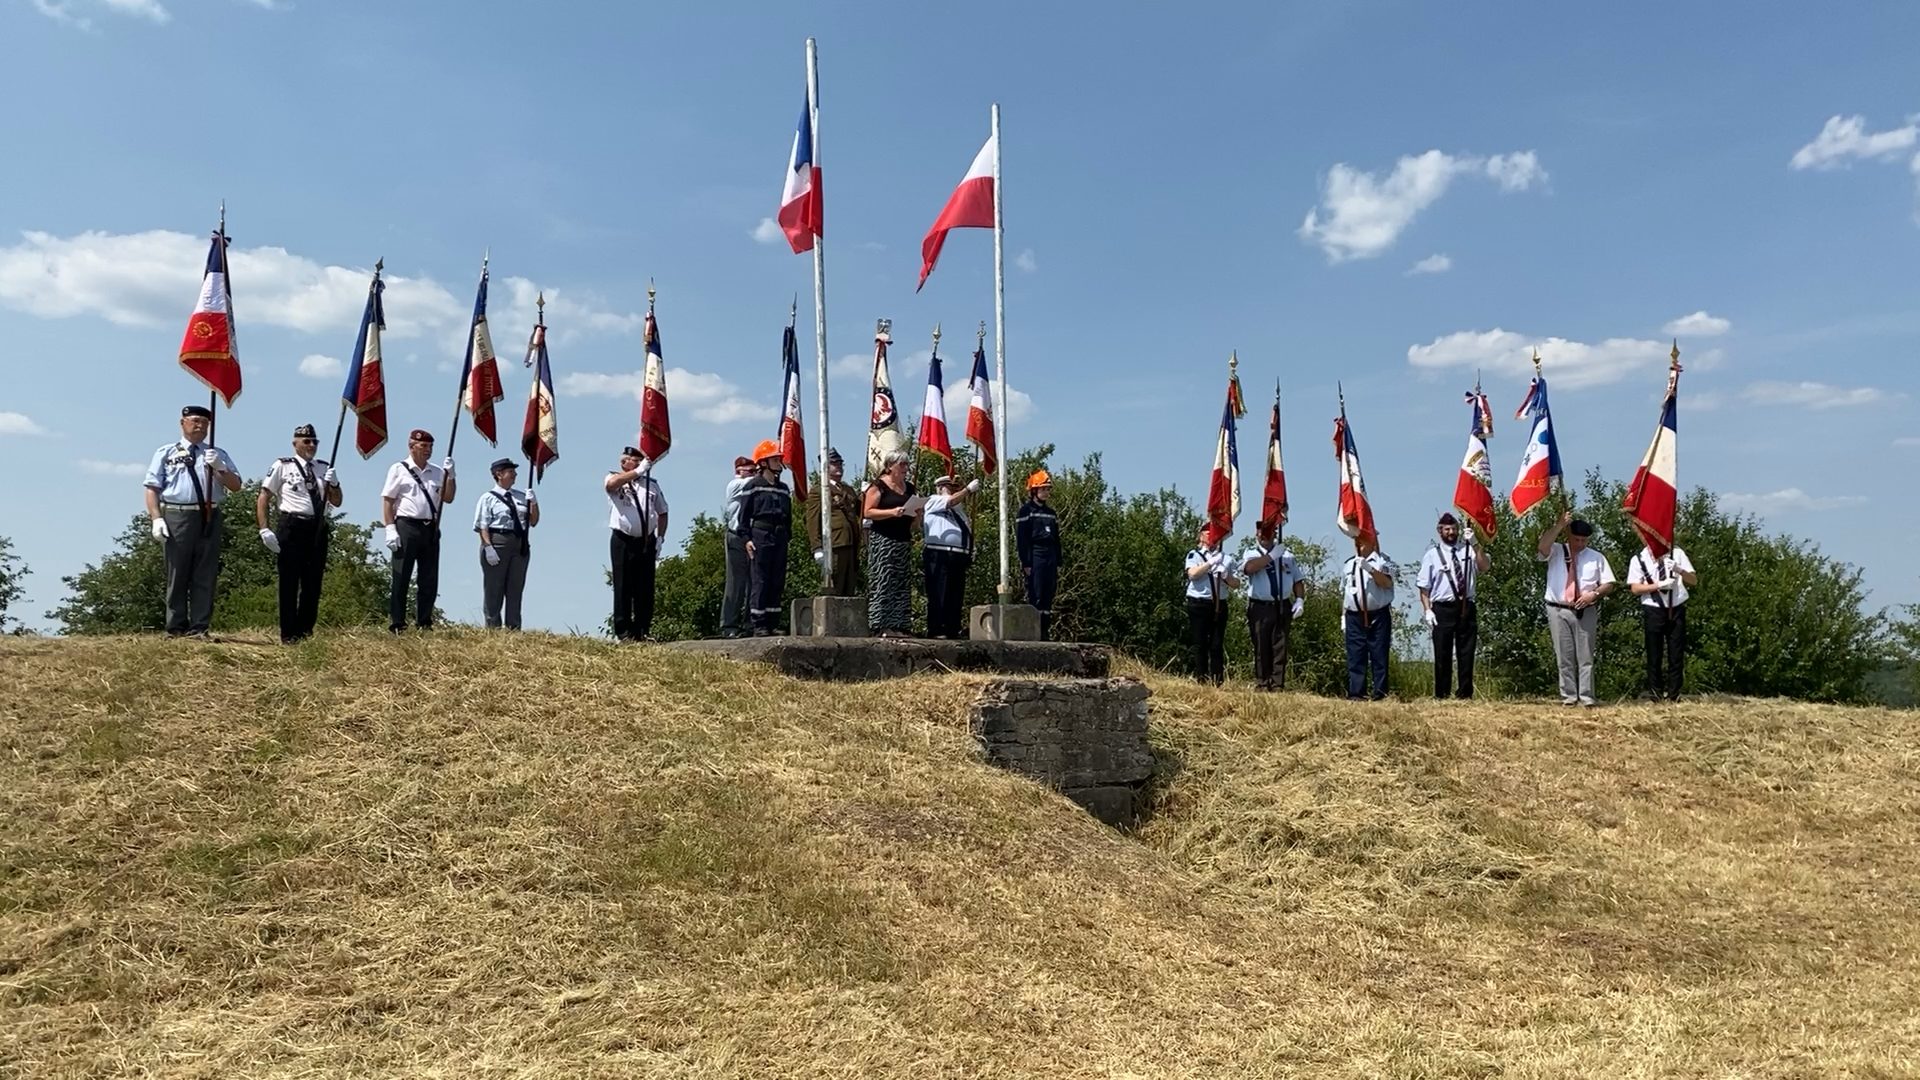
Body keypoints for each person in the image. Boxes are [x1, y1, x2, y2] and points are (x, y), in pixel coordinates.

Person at [144, 404, 243, 637]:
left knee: (205, 572)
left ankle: (199, 626)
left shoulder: (218, 453)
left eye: (205, 423)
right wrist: (156, 518)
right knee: (177, 571)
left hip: (210, 514)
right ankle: (175, 626)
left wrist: (220, 468)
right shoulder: (166, 452)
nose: (200, 426)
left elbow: (236, 486)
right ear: (183, 423)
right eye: (195, 420)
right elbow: (151, 488)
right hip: (178, 514)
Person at [255, 422, 342, 643]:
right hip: (292, 526)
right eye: (306, 441)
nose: (311, 445)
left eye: (314, 441)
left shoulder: (323, 467)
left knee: (313, 582)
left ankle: (305, 630)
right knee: (289, 581)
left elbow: (337, 501)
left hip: (317, 527)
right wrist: (264, 528)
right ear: (295, 443)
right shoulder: (283, 465)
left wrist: (334, 484)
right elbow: (264, 496)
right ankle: (288, 632)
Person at [1537, 510, 1618, 707]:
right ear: (1568, 536)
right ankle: (1569, 697)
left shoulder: (1596, 557)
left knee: (1585, 656)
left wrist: (1595, 594)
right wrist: (1559, 525)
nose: (1580, 544)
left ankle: (1587, 697)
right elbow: (1542, 547)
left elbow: (1609, 583)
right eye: (1577, 539)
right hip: (1558, 609)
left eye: (1584, 540)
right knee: (1564, 656)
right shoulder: (1556, 551)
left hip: (1585, 609)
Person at [380, 429, 456, 633]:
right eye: (423, 446)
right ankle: (397, 622)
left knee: (429, 578)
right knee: (401, 576)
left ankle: (424, 621)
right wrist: (390, 528)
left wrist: (450, 477)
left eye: (430, 447)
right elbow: (388, 500)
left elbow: (448, 498)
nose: (428, 450)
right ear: (411, 446)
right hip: (406, 526)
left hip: (430, 527)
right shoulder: (398, 469)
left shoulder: (438, 471)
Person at [1417, 512, 1492, 699]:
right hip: (1443, 608)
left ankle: (1465, 694)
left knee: (1466, 652)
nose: (1451, 532)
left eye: (1454, 529)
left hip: (1466, 606)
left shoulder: (1468, 550)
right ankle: (1441, 694)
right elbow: (1424, 586)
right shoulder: (1432, 555)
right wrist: (1427, 610)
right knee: (1442, 653)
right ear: (1440, 531)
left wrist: (1475, 543)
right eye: (1447, 529)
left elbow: (1484, 567)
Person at [606, 446, 668, 642]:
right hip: (623, 539)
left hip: (646, 541)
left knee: (645, 587)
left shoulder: (652, 485)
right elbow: (611, 486)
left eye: (642, 461)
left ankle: (643, 629)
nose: (642, 463)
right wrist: (638, 471)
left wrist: (660, 538)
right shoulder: (614, 479)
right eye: (636, 460)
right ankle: (624, 632)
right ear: (624, 463)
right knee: (623, 585)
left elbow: (663, 512)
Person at [1627, 541, 1698, 701]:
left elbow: (1693, 580)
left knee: (1676, 652)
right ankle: (1655, 694)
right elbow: (1635, 588)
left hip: (1676, 606)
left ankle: (1674, 694)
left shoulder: (1677, 554)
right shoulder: (1639, 559)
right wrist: (1657, 585)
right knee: (1654, 653)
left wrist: (1679, 570)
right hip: (1653, 608)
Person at [473, 458, 538, 630]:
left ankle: (513, 627)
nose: (515, 474)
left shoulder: (521, 497)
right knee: (494, 588)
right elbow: (482, 525)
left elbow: (533, 521)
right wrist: (488, 547)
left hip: (519, 543)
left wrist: (534, 503)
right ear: (499, 474)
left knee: (515, 588)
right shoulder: (488, 498)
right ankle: (493, 626)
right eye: (511, 471)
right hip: (498, 541)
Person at [863, 449, 922, 638]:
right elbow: (868, 512)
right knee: (883, 581)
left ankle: (900, 625)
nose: (906, 468)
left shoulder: (910, 488)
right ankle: (880, 625)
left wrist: (917, 516)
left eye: (907, 464)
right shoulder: (879, 486)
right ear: (890, 467)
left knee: (901, 583)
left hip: (903, 540)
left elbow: (914, 524)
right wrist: (892, 512)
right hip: (883, 540)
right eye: (902, 465)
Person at [1239, 520, 1304, 691]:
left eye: (1267, 532)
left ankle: (1277, 685)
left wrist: (1299, 600)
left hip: (1282, 605)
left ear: (1275, 533)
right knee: (1261, 647)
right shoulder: (1251, 553)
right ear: (1256, 534)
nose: (1263, 536)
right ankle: (1262, 683)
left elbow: (1298, 580)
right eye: (1260, 532)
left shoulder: (1287, 556)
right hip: (1260, 607)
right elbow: (1250, 568)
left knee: (1280, 647)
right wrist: (1271, 556)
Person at [740, 439, 793, 636]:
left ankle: (772, 621)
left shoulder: (783, 488)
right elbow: (743, 517)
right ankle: (758, 623)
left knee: (777, 579)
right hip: (760, 534)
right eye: (775, 459)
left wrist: (787, 535)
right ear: (763, 463)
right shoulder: (753, 486)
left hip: (779, 535)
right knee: (760, 579)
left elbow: (789, 516)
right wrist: (746, 539)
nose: (779, 463)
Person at [922, 474, 982, 638]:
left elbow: (966, 530)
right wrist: (968, 490)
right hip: (939, 552)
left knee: (955, 595)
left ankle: (952, 628)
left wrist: (971, 548)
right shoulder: (934, 500)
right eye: (951, 487)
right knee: (938, 592)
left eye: (957, 488)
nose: (955, 491)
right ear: (940, 487)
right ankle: (937, 629)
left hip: (958, 555)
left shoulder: (960, 511)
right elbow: (950, 501)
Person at [1342, 534, 1396, 700]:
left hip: (1377, 615)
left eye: (1363, 539)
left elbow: (1387, 583)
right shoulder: (1349, 564)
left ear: (1373, 540)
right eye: (1357, 540)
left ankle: (1380, 694)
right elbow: (1345, 592)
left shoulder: (1384, 561)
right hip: (1354, 616)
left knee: (1379, 655)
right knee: (1356, 655)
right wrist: (1343, 616)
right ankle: (1357, 693)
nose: (1358, 543)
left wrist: (1370, 570)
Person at [1183, 525, 1239, 685]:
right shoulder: (1195, 555)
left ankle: (1217, 681)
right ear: (1201, 536)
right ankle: (1201, 678)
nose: (1211, 535)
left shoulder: (1226, 558)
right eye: (1208, 532)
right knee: (1200, 643)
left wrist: (1227, 576)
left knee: (1216, 644)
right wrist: (1210, 564)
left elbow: (1236, 584)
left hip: (1219, 605)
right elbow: (1192, 574)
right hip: (1199, 603)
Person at [806, 447, 863, 597]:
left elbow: (861, 511)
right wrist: (816, 547)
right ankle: (832, 619)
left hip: (851, 543)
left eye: (840, 463)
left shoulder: (848, 490)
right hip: (835, 543)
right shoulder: (820, 490)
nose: (838, 466)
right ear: (825, 466)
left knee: (849, 587)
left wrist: (867, 493)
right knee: (835, 586)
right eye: (834, 463)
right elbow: (812, 519)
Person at [1016, 470, 1062, 639]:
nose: (1046, 492)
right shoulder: (1026, 511)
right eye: (1043, 489)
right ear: (1034, 490)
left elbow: (1056, 538)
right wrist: (1026, 562)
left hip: (1050, 554)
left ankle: (1045, 631)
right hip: (1035, 554)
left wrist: (1058, 560)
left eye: (1048, 489)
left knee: (1048, 593)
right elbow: (1022, 539)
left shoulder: (1051, 513)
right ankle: (1034, 631)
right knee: (1036, 592)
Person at [719, 455, 754, 638]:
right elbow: (751, 483)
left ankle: (750, 624)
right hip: (735, 536)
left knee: (753, 582)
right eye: (750, 470)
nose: (754, 473)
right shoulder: (735, 485)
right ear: (738, 471)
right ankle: (729, 625)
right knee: (735, 583)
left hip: (750, 536)